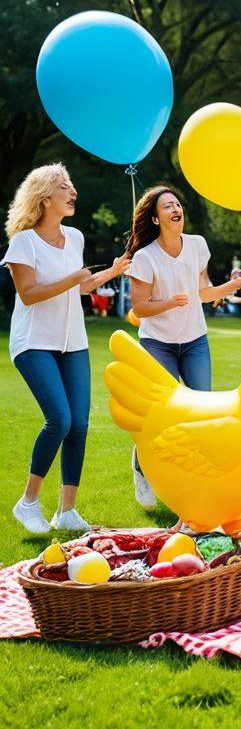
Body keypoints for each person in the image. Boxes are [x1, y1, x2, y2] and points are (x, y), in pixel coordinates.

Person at [4, 164, 131, 533]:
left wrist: (113, 271)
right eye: (64, 186)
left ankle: (67, 511)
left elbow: (82, 286)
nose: (72, 191)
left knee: (79, 424)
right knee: (58, 419)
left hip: (72, 341)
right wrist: (73, 278)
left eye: (71, 185)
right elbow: (28, 295)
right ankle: (28, 502)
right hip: (34, 343)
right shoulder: (23, 242)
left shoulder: (74, 237)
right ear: (44, 197)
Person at [125, 186, 241, 507]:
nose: (176, 208)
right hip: (157, 343)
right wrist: (167, 302)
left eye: (177, 204)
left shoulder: (197, 245)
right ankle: (142, 468)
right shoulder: (145, 257)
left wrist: (229, 287)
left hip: (194, 340)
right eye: (168, 206)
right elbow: (139, 308)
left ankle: (198, 479)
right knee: (159, 415)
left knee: (201, 410)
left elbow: (203, 292)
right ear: (155, 217)